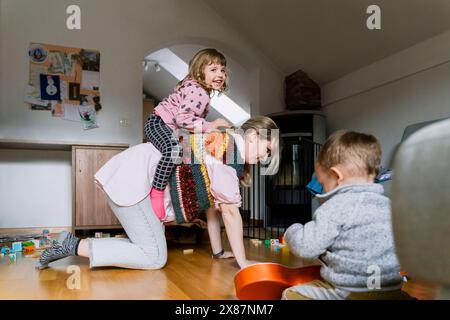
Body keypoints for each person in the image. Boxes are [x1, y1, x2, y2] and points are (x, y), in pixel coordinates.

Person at [36, 116, 280, 271]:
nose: (264, 158)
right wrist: (244, 262)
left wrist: (217, 252)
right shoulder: (229, 151)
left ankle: (72, 244)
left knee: (146, 246)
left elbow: (213, 210)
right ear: (251, 136)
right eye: (266, 149)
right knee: (154, 257)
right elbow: (230, 213)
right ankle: (72, 245)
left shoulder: (227, 150)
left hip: (135, 178)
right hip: (136, 182)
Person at [282, 130, 411, 300]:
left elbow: (306, 247)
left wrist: (293, 230)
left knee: (290, 294)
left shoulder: (337, 205)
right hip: (392, 289)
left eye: (322, 184)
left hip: (352, 292)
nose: (322, 190)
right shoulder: (388, 205)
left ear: (337, 176)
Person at [144, 48, 231, 221]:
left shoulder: (197, 87)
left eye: (222, 70)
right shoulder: (199, 92)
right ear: (199, 72)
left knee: (185, 155)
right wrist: (210, 125)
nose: (220, 74)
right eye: (213, 70)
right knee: (174, 151)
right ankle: (157, 191)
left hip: (166, 126)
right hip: (158, 124)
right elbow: (183, 119)